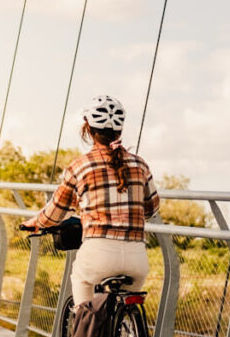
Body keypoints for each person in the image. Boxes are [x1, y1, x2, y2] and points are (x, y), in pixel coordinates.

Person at [21, 95, 160, 305]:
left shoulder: (79, 167)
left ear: (88, 129)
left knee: (81, 282)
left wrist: (35, 223)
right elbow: (150, 209)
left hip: (99, 256)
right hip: (136, 259)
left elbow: (55, 212)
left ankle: (81, 334)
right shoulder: (140, 165)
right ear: (120, 131)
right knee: (122, 305)